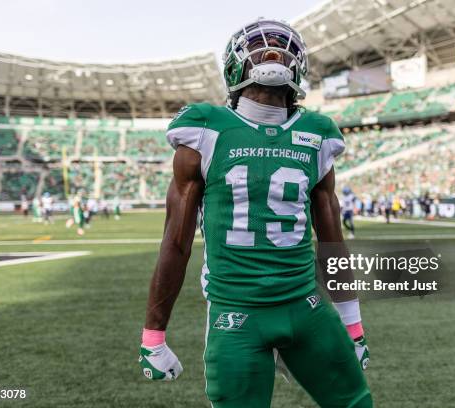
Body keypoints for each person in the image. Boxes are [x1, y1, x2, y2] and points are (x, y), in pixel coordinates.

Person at [139, 19, 372, 408]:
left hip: (307, 307)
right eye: (261, 46)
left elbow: (332, 242)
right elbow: (176, 242)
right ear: (235, 66)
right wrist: (153, 335)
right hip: (236, 314)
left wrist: (354, 326)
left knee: (357, 404)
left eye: (283, 47)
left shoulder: (318, 133)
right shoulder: (205, 130)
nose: (273, 52)